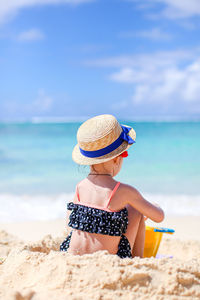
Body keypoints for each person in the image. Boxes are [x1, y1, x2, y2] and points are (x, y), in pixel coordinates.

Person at [60, 114, 164, 258]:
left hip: (72, 254)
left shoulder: (80, 187)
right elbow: (159, 217)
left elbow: (70, 224)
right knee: (135, 209)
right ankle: (137, 260)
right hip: (110, 258)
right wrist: (153, 206)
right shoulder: (125, 191)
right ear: (116, 159)